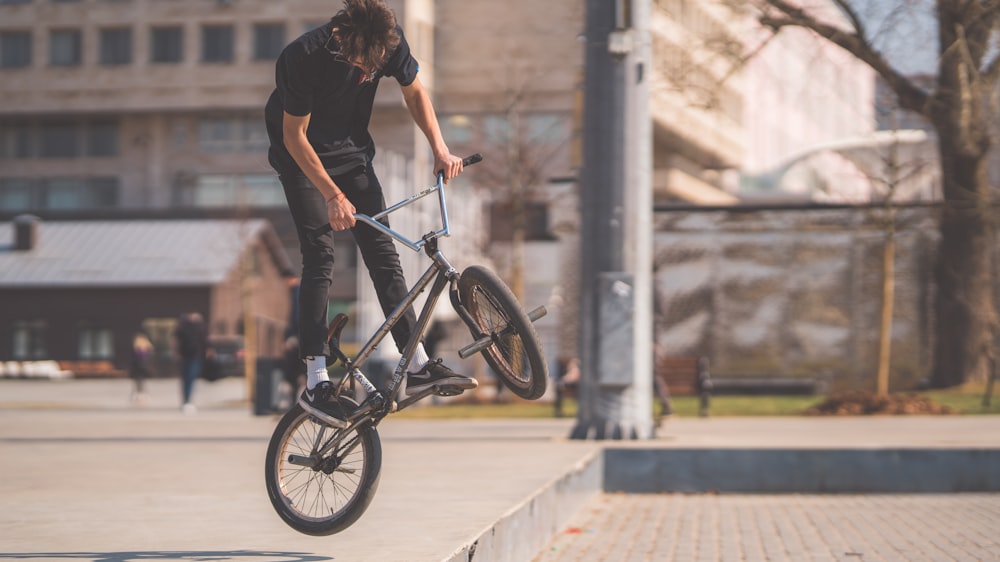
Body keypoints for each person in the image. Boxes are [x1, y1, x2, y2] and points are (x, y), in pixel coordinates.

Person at [264, 0, 476, 426]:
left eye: (373, 68)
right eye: (362, 66)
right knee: (319, 256)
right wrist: (331, 195)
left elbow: (415, 90)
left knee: (384, 255)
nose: (367, 75)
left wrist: (440, 147)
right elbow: (294, 135)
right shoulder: (303, 58)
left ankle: (416, 367)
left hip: (352, 156)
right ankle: (316, 378)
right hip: (301, 160)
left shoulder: (387, 41)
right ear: (343, 42)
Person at [174, 312, 207, 414]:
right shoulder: (183, 328)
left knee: (191, 379)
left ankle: (188, 400)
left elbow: (204, 341)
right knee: (186, 379)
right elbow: (176, 340)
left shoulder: (199, 328)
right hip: (185, 356)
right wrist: (177, 353)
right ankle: (186, 400)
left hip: (194, 357)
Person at [129, 331, 153, 406]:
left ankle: (138, 396)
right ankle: (143, 395)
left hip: (138, 367)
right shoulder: (147, 349)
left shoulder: (137, 349)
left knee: (138, 382)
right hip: (143, 367)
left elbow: (133, 359)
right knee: (142, 382)